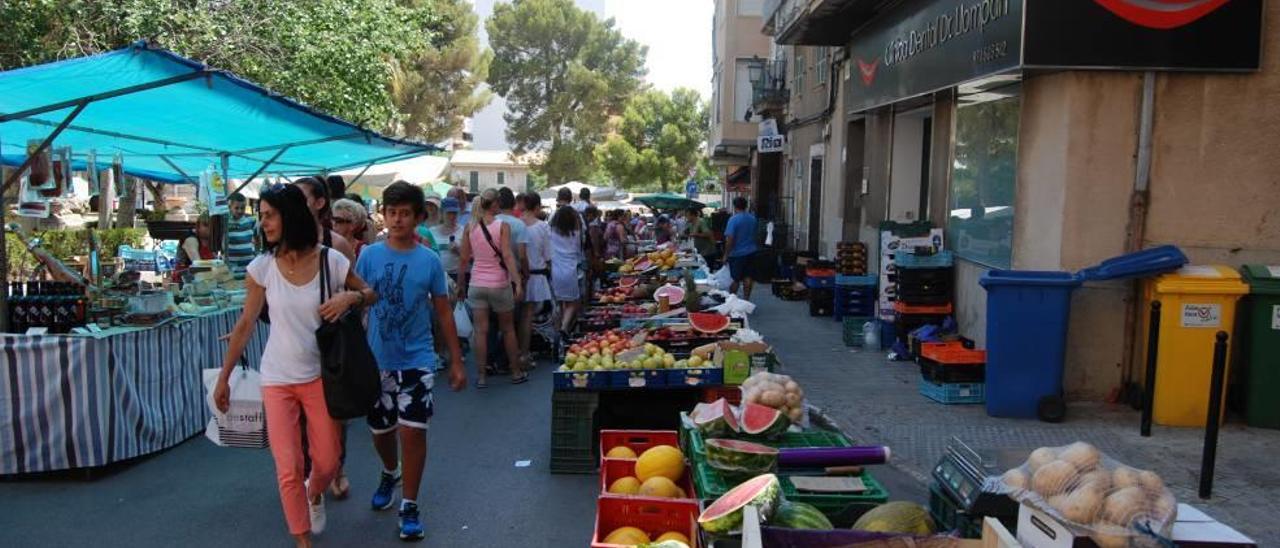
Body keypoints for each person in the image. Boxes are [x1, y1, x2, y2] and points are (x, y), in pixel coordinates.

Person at [214, 184, 376, 548]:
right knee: (288, 468)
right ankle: (302, 540)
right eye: (262, 216)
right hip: (276, 379)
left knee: (328, 462)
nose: (263, 223)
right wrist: (223, 379)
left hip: (321, 377)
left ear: (290, 216)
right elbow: (245, 325)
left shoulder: (330, 261)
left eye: (269, 215)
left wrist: (351, 297)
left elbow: (371, 293)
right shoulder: (261, 268)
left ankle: (315, 492)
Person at [356, 182, 466, 542]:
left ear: (420, 217)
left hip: (418, 361)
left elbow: (443, 313)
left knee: (413, 431)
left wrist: (456, 361)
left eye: (405, 213)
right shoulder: (369, 256)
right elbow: (357, 303)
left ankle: (410, 505)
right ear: (384, 215)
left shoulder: (429, 261)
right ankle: (390, 471)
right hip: (377, 362)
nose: (397, 219)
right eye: (391, 212)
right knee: (381, 431)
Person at [457, 188, 526, 388]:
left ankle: (481, 376)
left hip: (477, 283)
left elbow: (463, 259)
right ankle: (515, 372)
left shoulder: (470, 227)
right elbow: (507, 255)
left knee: (481, 332)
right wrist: (518, 281)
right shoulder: (502, 225)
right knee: (508, 329)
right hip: (499, 284)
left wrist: (461, 284)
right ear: (495, 204)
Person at [519, 193, 553, 365]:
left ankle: (520, 352)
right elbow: (548, 256)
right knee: (529, 315)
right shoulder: (542, 227)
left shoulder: (516, 225)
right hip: (537, 275)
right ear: (537, 207)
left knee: (520, 316)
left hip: (517, 275)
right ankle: (525, 353)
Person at [294, 177, 356, 262]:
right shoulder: (281, 244)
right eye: (292, 199)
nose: (294, 205)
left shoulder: (337, 244)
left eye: (301, 199)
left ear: (319, 203)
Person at [549, 205, 584, 344]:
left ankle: (557, 334)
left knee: (558, 303)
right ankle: (564, 328)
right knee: (572, 303)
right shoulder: (576, 233)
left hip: (555, 269)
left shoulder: (550, 231)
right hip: (570, 270)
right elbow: (579, 251)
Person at [721, 197, 760, 299]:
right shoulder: (753, 219)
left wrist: (726, 254)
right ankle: (746, 299)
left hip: (737, 254)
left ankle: (732, 299)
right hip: (751, 251)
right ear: (746, 206)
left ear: (735, 207)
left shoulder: (733, 219)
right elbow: (756, 235)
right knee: (748, 276)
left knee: (735, 278)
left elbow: (730, 239)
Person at [428, 197, 465, 283]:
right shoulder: (431, 232)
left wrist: (458, 251)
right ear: (441, 213)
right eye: (449, 213)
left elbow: (471, 258)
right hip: (437, 276)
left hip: (457, 276)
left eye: (454, 213)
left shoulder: (463, 231)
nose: (452, 216)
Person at [172, 213, 215, 283]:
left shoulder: (211, 241)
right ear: (198, 226)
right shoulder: (191, 239)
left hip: (202, 280)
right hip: (183, 282)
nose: (209, 229)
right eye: (206, 225)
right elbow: (198, 264)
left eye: (212, 226)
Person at [226, 193, 257, 281]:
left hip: (249, 266)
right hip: (233, 267)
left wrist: (256, 252)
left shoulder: (251, 220)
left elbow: (258, 238)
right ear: (230, 207)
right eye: (236, 208)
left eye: (242, 208)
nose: (240, 211)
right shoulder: (226, 222)